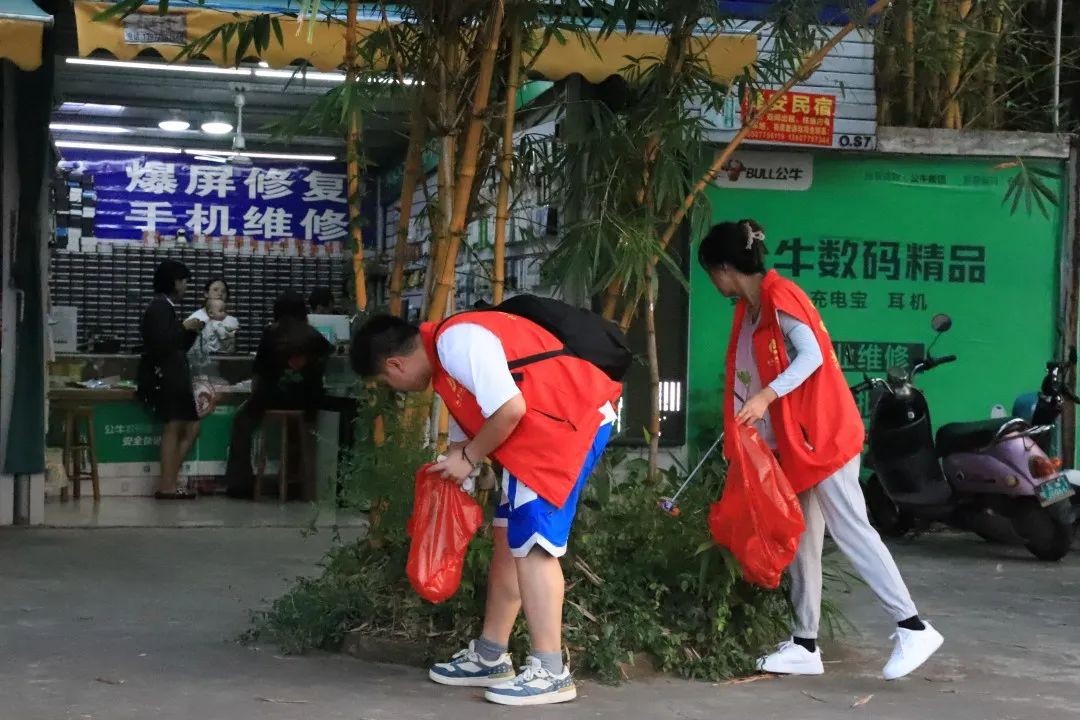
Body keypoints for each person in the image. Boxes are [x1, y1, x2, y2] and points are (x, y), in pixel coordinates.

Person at [698, 219, 944, 681]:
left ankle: (913, 626)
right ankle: (804, 644)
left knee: (852, 529)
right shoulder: (751, 309)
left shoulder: (780, 296)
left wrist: (765, 396)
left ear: (725, 268)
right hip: (796, 443)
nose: (714, 282)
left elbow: (811, 356)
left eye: (712, 273)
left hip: (823, 436)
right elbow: (748, 372)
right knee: (803, 539)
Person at [350, 308, 621, 707]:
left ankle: (551, 672)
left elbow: (510, 409)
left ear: (395, 364)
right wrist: (466, 457)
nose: (396, 389)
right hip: (544, 429)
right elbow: (483, 419)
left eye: (387, 383)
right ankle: (491, 655)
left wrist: (471, 457)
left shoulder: (455, 342)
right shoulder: (444, 356)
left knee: (534, 544)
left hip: (564, 427)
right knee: (508, 538)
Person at [225, 291, 332, 499]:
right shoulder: (313, 335)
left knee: (241, 422)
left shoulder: (271, 333)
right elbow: (328, 358)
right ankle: (295, 483)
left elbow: (259, 372)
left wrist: (255, 398)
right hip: (307, 402)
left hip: (271, 398)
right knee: (296, 431)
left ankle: (241, 485)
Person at [136, 259, 204, 500]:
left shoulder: (165, 307)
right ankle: (167, 485)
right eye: (184, 281)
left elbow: (177, 344)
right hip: (168, 377)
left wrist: (191, 331)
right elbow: (163, 344)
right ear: (174, 282)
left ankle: (169, 481)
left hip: (174, 374)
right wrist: (184, 327)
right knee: (175, 427)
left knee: (188, 426)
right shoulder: (160, 307)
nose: (186, 286)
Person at [187, 278, 240, 362]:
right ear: (206, 294)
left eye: (223, 291)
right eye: (215, 290)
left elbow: (232, 347)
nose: (220, 294)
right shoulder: (196, 318)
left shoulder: (231, 320)